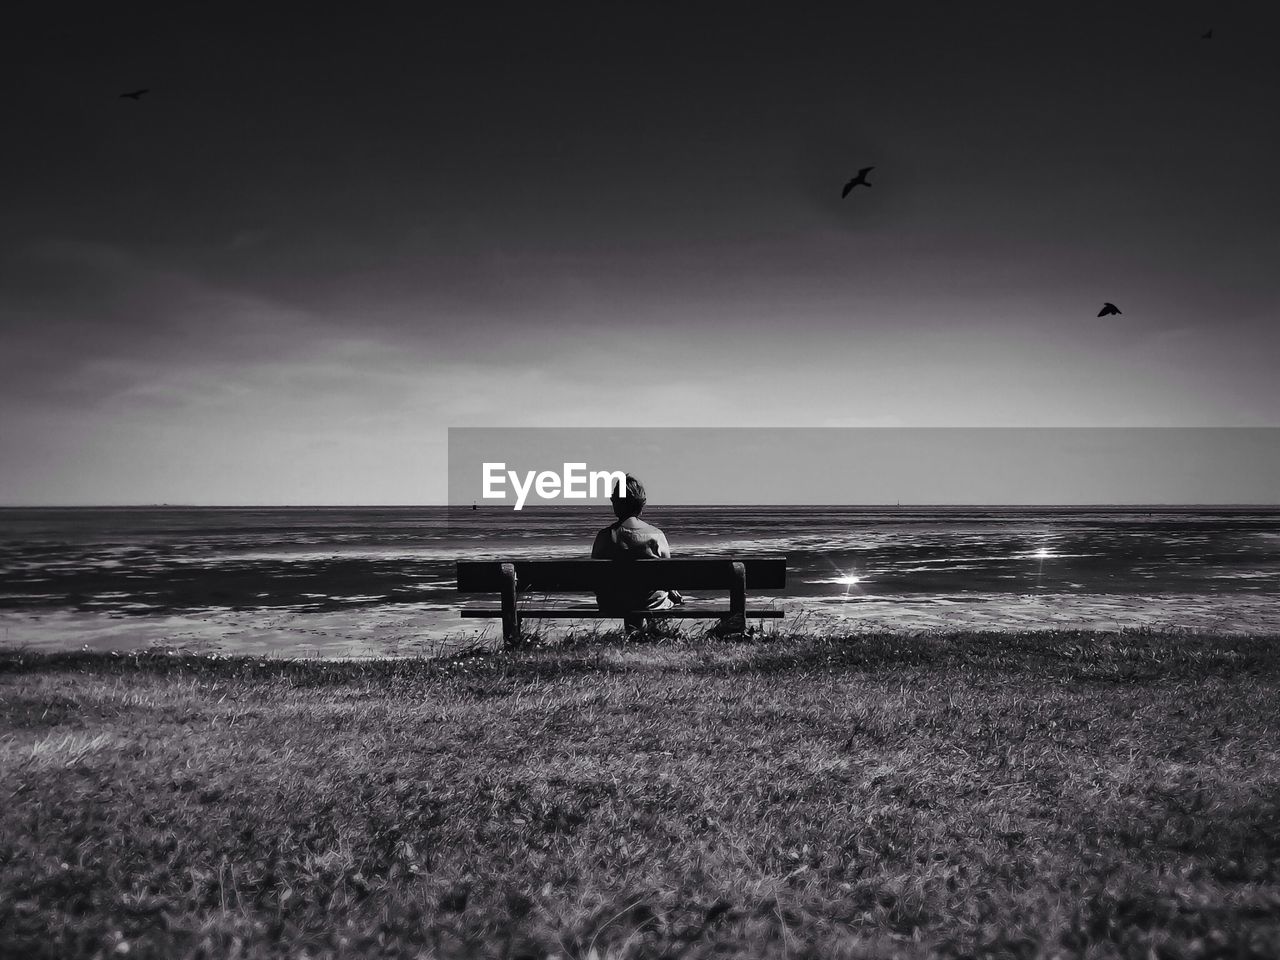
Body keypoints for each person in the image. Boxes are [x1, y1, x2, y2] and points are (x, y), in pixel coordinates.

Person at [591, 474, 682, 630]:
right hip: (651, 603)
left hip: (613, 603)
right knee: (657, 596)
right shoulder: (657, 535)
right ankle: (655, 633)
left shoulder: (604, 536)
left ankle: (635, 632)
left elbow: (594, 578)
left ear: (615, 503)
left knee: (629, 594)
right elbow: (668, 575)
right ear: (642, 504)